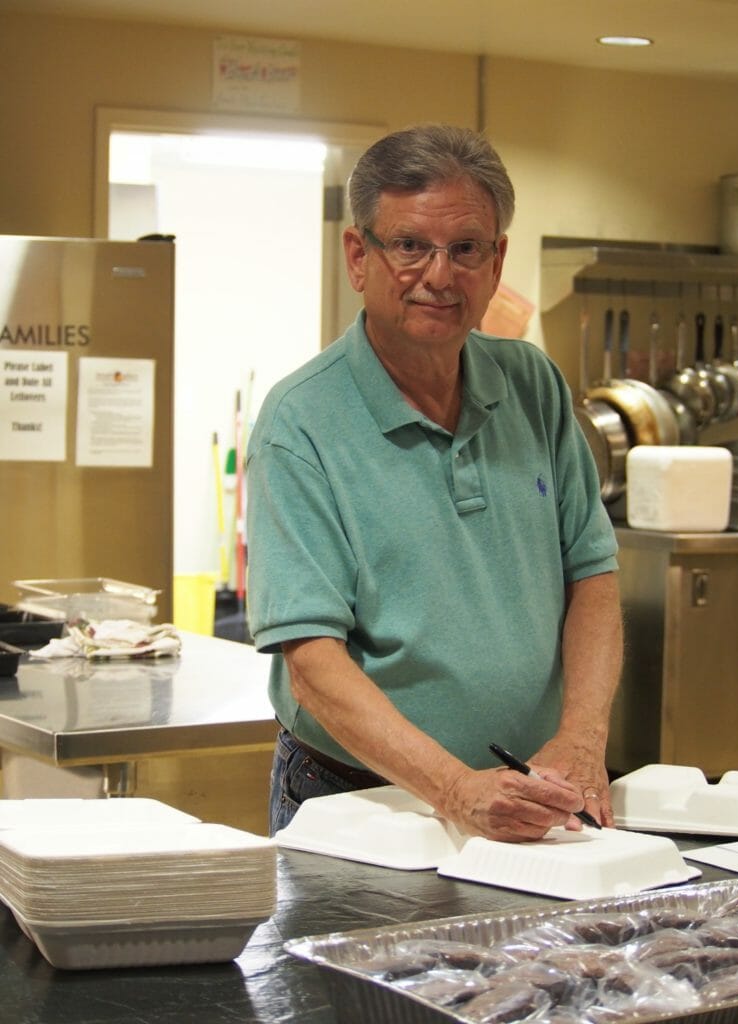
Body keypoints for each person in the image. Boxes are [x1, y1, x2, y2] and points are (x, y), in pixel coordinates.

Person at [246, 123, 623, 842]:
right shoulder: (300, 424)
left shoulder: (533, 384)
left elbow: (593, 573)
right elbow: (313, 665)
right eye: (410, 245)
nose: (440, 276)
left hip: (535, 793)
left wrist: (582, 741)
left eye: (465, 249)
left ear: (496, 259)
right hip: (357, 800)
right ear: (360, 256)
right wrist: (454, 791)